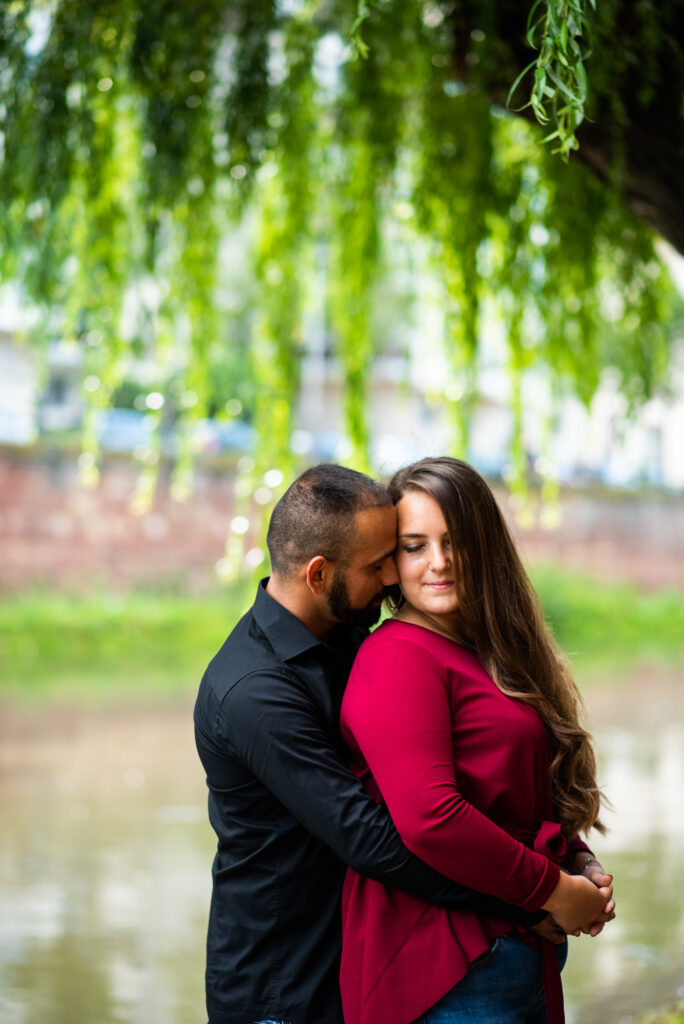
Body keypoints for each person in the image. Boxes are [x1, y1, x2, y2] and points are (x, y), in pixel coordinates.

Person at [193, 464, 589, 1024]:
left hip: (355, 951)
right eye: (382, 562)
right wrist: (531, 899)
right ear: (318, 574)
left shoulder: (349, 632)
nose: (390, 579)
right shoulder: (253, 691)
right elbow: (372, 836)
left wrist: (569, 856)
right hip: (283, 984)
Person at [339, 456, 614, 1024]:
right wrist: (554, 891)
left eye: (455, 542)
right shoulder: (397, 657)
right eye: (414, 546)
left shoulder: (487, 653)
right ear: (391, 563)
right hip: (448, 962)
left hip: (511, 946)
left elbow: (509, 790)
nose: (437, 563)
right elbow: (431, 818)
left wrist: (576, 859)